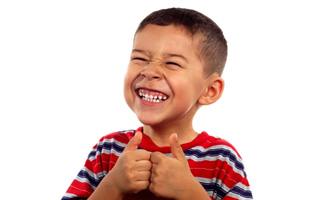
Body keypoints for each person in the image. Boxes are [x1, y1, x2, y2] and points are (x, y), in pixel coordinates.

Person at [62, 7, 253, 200]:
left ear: (210, 90)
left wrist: (191, 194)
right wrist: (112, 186)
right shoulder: (108, 150)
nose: (149, 70)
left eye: (172, 63)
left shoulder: (221, 159)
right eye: (140, 58)